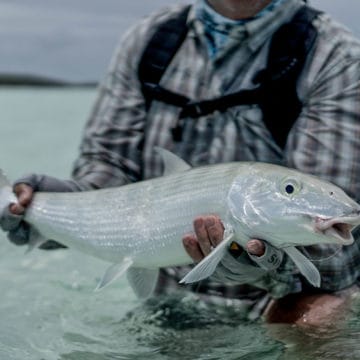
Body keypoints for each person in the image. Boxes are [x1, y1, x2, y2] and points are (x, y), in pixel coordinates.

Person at [2, 0, 360, 327]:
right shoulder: (149, 38)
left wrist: (257, 264)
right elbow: (107, 169)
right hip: (168, 303)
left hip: (281, 304)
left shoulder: (336, 55)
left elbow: (332, 259)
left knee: (318, 318)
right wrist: (50, 205)